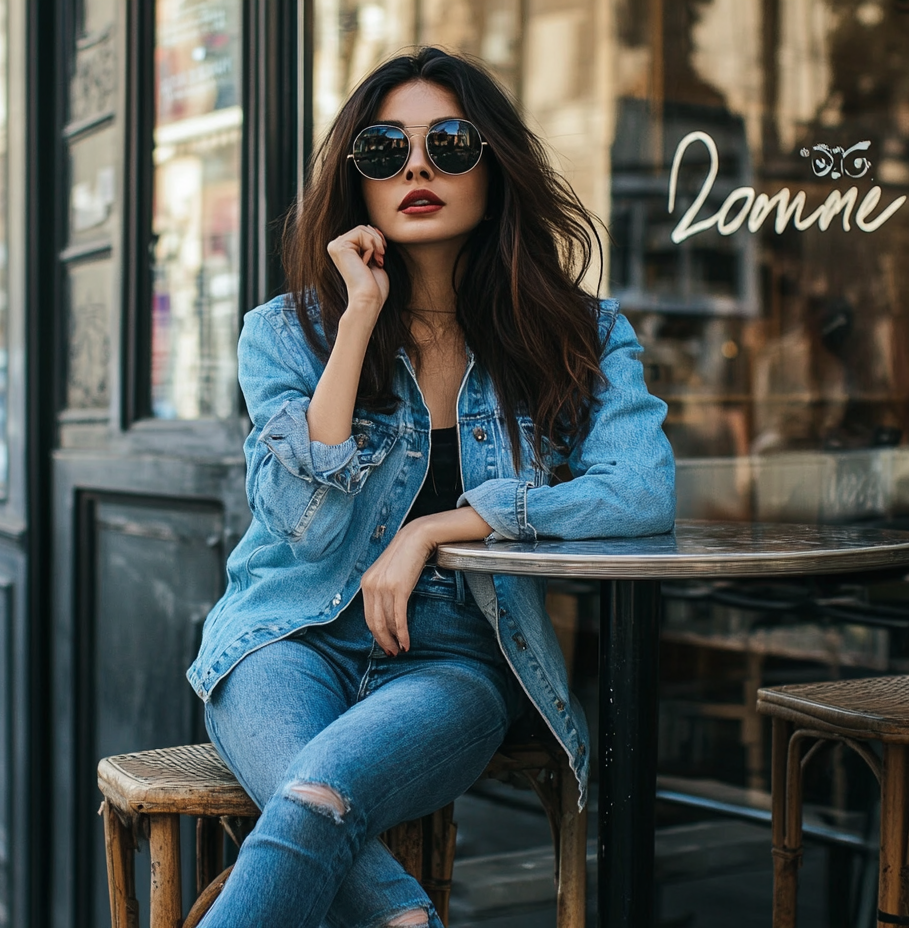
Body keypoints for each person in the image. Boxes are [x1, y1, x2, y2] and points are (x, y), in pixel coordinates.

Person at [185, 47, 676, 928]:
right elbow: (300, 519)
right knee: (312, 804)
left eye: (450, 143)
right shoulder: (287, 332)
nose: (417, 165)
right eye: (384, 150)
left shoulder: (581, 334)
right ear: (358, 182)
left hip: (459, 651)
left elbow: (640, 492)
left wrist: (441, 529)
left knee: (313, 800)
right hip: (285, 633)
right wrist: (361, 313)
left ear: (494, 165)